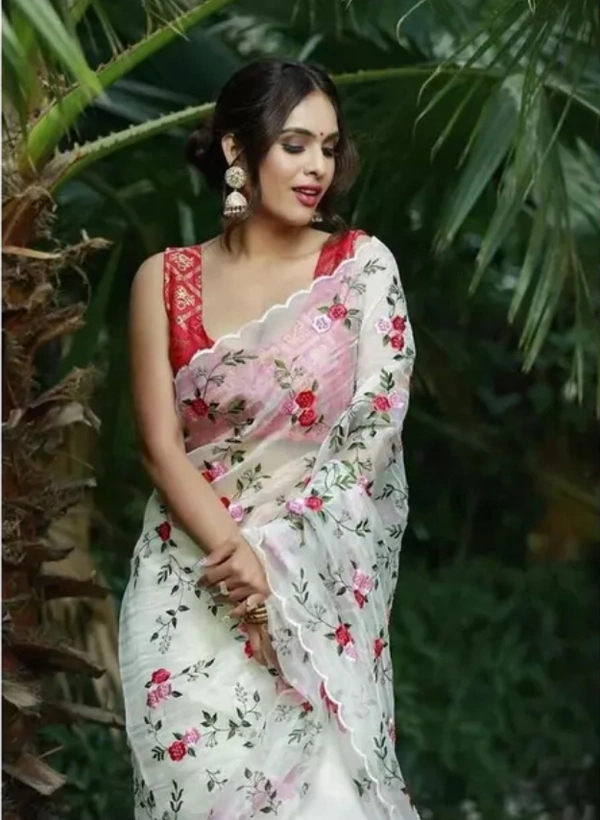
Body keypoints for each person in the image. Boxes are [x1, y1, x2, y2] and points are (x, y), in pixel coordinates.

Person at [119, 57, 418, 820]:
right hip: (193, 587)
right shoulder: (163, 280)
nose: (318, 166)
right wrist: (243, 570)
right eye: (295, 144)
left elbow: (375, 428)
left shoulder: (361, 268)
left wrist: (280, 572)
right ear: (236, 149)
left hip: (316, 585)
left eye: (329, 147)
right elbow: (159, 448)